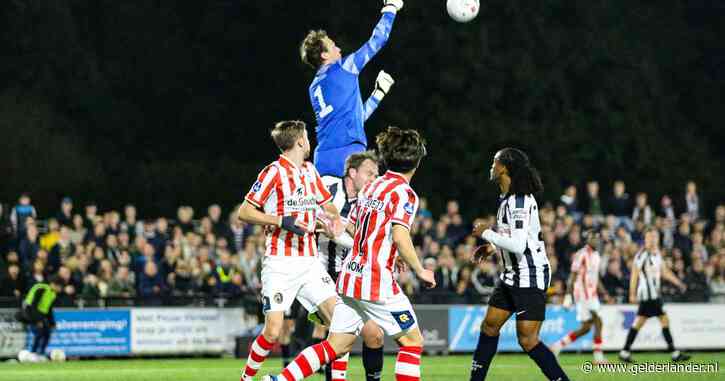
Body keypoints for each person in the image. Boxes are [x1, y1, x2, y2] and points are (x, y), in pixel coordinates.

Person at [263, 126, 436, 381]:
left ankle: (280, 380)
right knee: (412, 341)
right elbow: (400, 235)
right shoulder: (405, 194)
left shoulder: (371, 187)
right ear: (417, 161)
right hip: (375, 279)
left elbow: (357, 227)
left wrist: (391, 250)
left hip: (349, 276)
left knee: (336, 345)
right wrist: (420, 269)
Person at [237, 120, 343, 381]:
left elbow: (328, 206)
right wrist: (280, 220)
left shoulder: (309, 171)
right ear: (299, 142)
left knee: (341, 323)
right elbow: (245, 211)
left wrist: (331, 222)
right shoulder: (272, 172)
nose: (309, 142)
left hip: (309, 262)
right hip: (280, 262)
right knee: (272, 332)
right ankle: (246, 378)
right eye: (307, 137)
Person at [468, 148, 569, 381]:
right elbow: (513, 237)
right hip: (512, 274)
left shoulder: (519, 201)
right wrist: (492, 248)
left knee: (527, 339)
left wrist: (487, 234)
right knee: (489, 326)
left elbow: (519, 245)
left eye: (494, 162)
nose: (491, 166)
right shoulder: (506, 199)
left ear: (504, 167)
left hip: (530, 275)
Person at [300, 0, 403, 178]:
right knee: (367, 202)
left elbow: (356, 119)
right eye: (333, 46)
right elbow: (377, 40)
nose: (339, 49)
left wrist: (378, 94)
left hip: (323, 158)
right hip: (349, 154)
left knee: (328, 207)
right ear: (324, 54)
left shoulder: (314, 87)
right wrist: (390, 9)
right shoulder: (344, 67)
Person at [314, 151, 386, 381]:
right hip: (318, 271)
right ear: (352, 173)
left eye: (377, 175)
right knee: (339, 334)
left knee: (375, 336)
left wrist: (342, 231)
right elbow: (310, 215)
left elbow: (368, 241)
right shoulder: (329, 186)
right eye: (370, 173)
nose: (374, 179)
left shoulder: (369, 203)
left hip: (351, 276)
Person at [618, 228, 691, 363]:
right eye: (649, 237)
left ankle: (624, 351)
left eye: (654, 237)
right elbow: (634, 274)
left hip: (653, 295)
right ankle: (674, 353)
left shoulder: (657, 254)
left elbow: (664, 272)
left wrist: (678, 283)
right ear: (645, 240)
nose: (652, 240)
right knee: (664, 320)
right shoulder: (641, 255)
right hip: (648, 295)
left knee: (639, 323)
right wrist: (632, 293)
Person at [550, 229, 608, 364]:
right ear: (587, 240)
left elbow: (595, 277)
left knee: (586, 327)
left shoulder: (596, 255)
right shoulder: (581, 255)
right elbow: (572, 277)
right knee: (598, 321)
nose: (596, 240)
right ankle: (598, 357)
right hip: (583, 294)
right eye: (593, 238)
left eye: (598, 238)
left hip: (591, 294)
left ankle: (557, 346)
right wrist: (568, 297)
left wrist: (604, 292)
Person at [15, 277, 62, 360]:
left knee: (47, 333)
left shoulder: (52, 294)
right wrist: (37, 321)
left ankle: (41, 353)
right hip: (29, 313)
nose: (60, 289)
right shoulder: (41, 288)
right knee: (39, 332)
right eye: (59, 286)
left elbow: (48, 310)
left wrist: (52, 322)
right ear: (53, 284)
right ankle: (33, 353)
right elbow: (33, 305)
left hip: (39, 315)